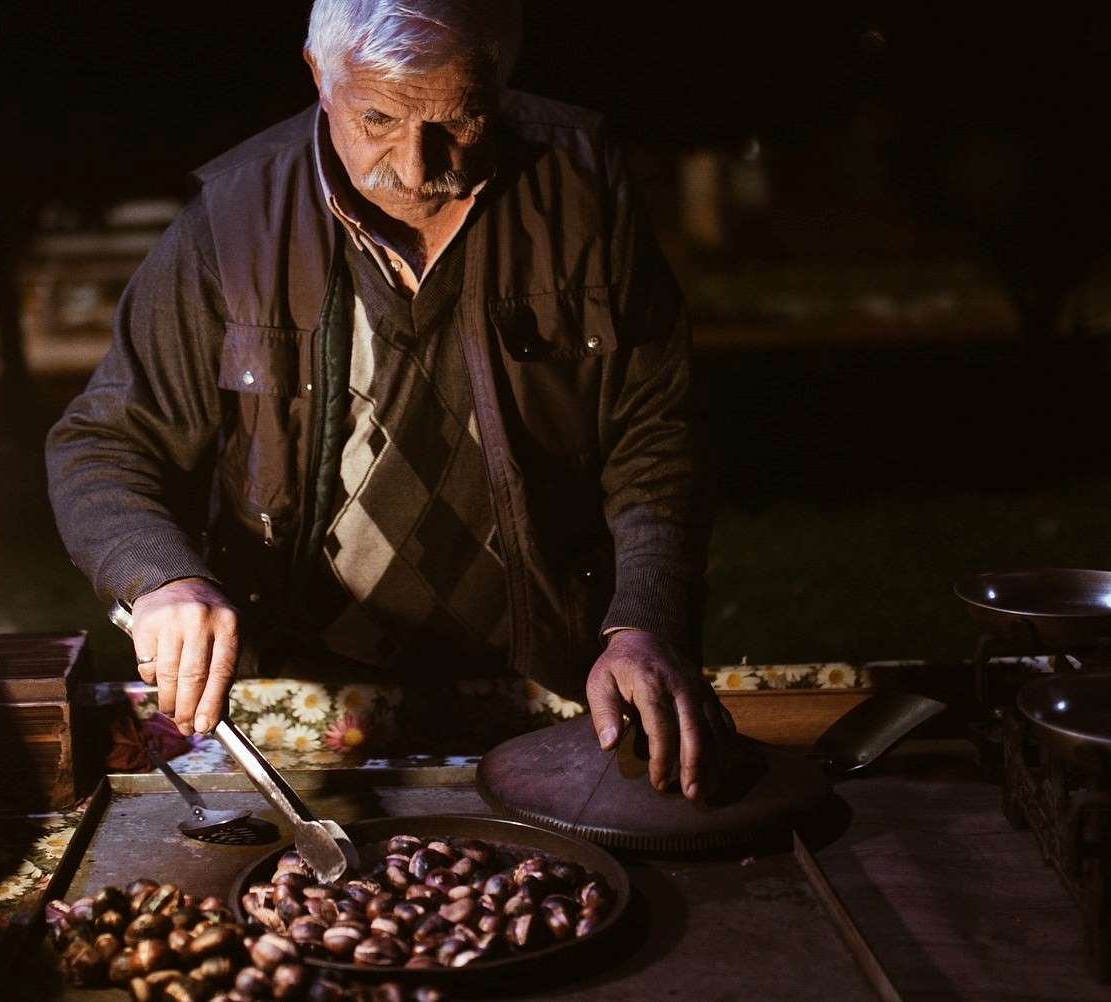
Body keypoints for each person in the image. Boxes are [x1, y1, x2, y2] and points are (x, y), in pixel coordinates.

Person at [46, 0, 730, 799]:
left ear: (499, 79)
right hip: (310, 686)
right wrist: (162, 580)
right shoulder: (231, 219)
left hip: (553, 670)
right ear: (316, 74)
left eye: (459, 120)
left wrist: (644, 619)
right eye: (375, 118)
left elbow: (657, 432)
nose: (413, 168)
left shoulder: (581, 182)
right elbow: (105, 442)